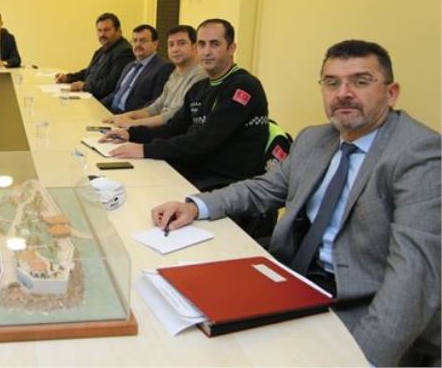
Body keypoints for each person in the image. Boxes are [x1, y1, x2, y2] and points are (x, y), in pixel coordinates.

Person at [150, 40, 440, 367]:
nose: (343, 93)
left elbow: (413, 279)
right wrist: (196, 206)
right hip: (290, 277)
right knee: (181, 323)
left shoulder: (420, 153)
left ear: (391, 93)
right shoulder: (314, 138)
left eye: (360, 81)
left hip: (357, 301)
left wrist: (361, 360)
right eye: (332, 83)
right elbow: (264, 188)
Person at [102, 19, 269, 191]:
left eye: (214, 44)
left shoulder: (243, 86)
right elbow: (174, 128)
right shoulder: (199, 88)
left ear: (231, 48)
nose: (207, 51)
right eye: (202, 44)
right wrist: (131, 134)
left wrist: (145, 150)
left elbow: (204, 140)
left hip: (225, 183)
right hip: (194, 170)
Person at [103, 25, 204, 126]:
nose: (175, 49)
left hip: (172, 130)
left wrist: (132, 124)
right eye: (171, 44)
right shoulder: (176, 72)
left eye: (182, 43)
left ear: (195, 47)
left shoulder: (200, 75)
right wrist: (125, 117)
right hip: (161, 127)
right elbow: (156, 107)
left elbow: (175, 115)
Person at [55, 12, 134, 100]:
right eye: (99, 30)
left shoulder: (124, 52)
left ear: (119, 31)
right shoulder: (103, 49)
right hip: (88, 96)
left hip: (101, 102)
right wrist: (67, 77)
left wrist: (84, 86)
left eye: (106, 30)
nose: (102, 34)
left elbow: (111, 83)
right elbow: (88, 72)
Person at [101, 24, 173, 114]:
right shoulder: (129, 66)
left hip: (131, 118)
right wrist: (97, 106)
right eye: (135, 40)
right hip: (111, 113)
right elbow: (115, 94)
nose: (138, 44)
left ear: (155, 44)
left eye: (143, 41)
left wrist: (129, 117)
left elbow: (155, 103)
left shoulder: (164, 67)